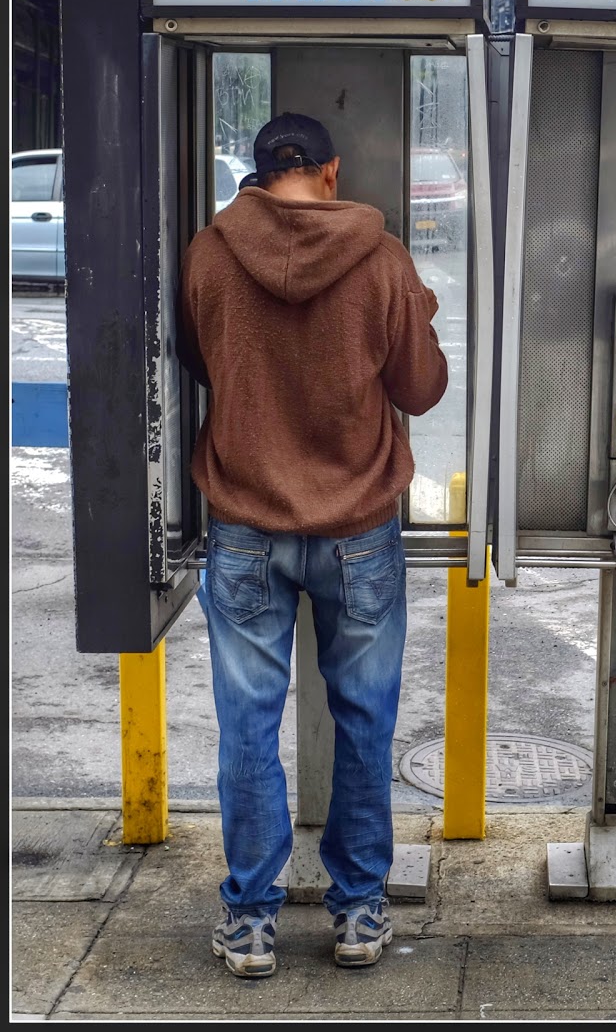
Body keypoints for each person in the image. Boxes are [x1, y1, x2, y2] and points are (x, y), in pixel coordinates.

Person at [179, 112, 449, 978]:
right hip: (359, 530)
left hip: (245, 525)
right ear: (329, 173)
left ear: (257, 177)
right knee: (365, 723)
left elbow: (200, 360)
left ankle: (252, 921)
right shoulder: (382, 257)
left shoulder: (211, 254)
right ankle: (360, 913)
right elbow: (423, 387)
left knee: (248, 726)